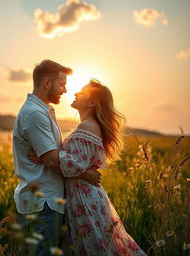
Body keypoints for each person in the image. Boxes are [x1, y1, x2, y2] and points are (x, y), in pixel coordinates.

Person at [28, 79, 147, 255]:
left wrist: (46, 155)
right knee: (94, 244)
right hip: (82, 192)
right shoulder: (89, 126)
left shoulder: (87, 126)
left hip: (84, 197)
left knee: (94, 245)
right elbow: (78, 163)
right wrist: (84, 172)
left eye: (82, 92)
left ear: (92, 102)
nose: (75, 93)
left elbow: (73, 163)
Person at [12, 60, 102, 256]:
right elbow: (53, 159)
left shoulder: (42, 111)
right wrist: (85, 173)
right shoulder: (35, 114)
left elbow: (52, 155)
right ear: (47, 83)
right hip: (43, 202)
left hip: (45, 201)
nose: (65, 89)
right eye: (61, 84)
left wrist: (47, 156)